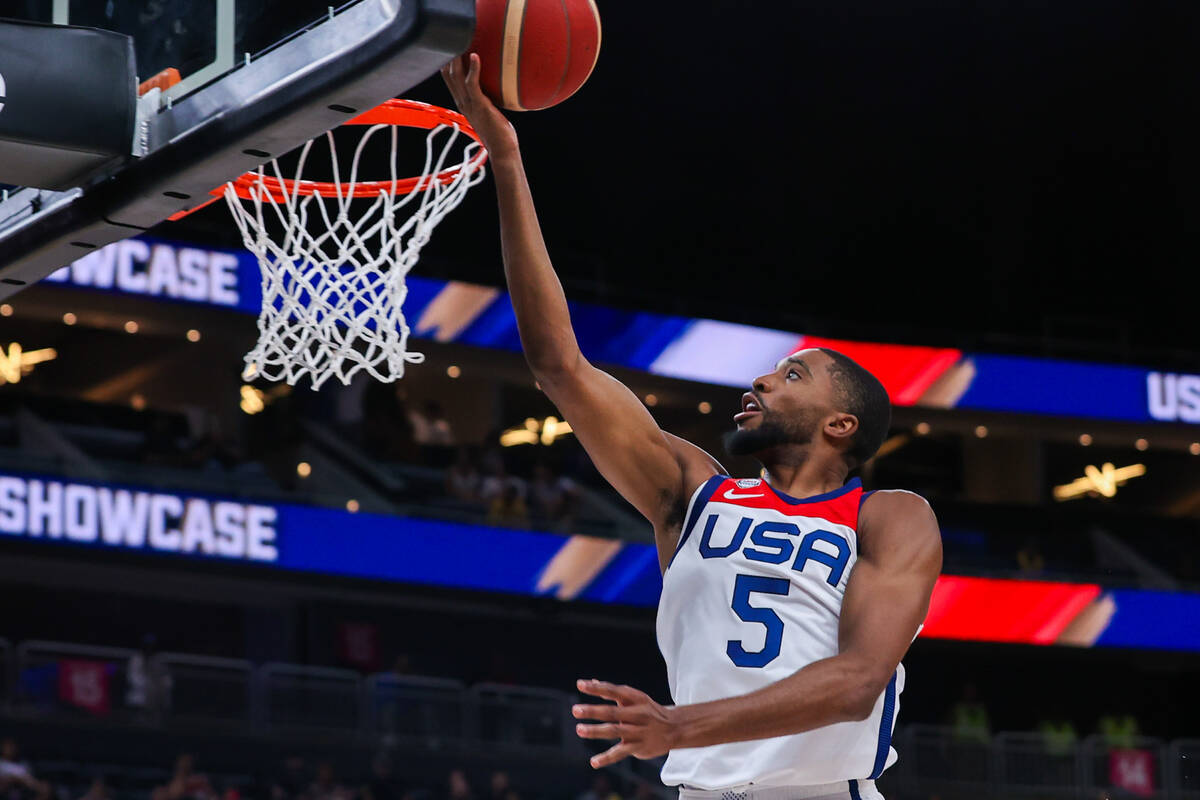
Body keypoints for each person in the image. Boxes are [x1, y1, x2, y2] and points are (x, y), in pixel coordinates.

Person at [442, 55, 943, 800]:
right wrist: (508, 161)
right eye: (771, 370)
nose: (762, 380)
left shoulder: (890, 517)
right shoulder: (693, 493)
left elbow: (857, 682)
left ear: (842, 424)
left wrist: (680, 727)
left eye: (793, 375)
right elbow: (560, 367)